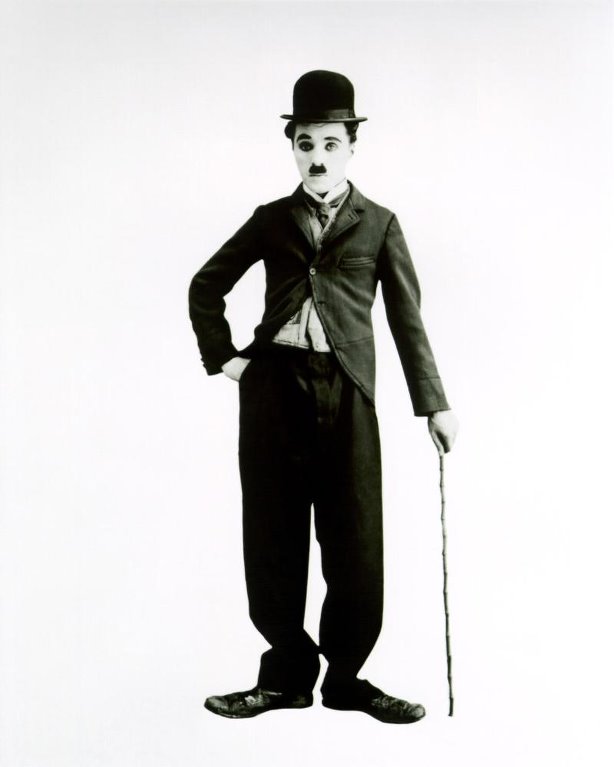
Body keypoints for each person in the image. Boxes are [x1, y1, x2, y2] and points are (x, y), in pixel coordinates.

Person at [188, 70, 458, 724]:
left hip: (348, 392)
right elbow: (206, 285)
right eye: (305, 143)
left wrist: (434, 403)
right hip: (273, 390)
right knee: (272, 533)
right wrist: (227, 360)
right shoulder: (271, 220)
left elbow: (407, 320)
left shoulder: (380, 224)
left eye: (330, 144)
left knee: (355, 538)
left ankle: (346, 679)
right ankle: (284, 676)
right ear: (292, 146)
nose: (317, 157)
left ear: (351, 147)